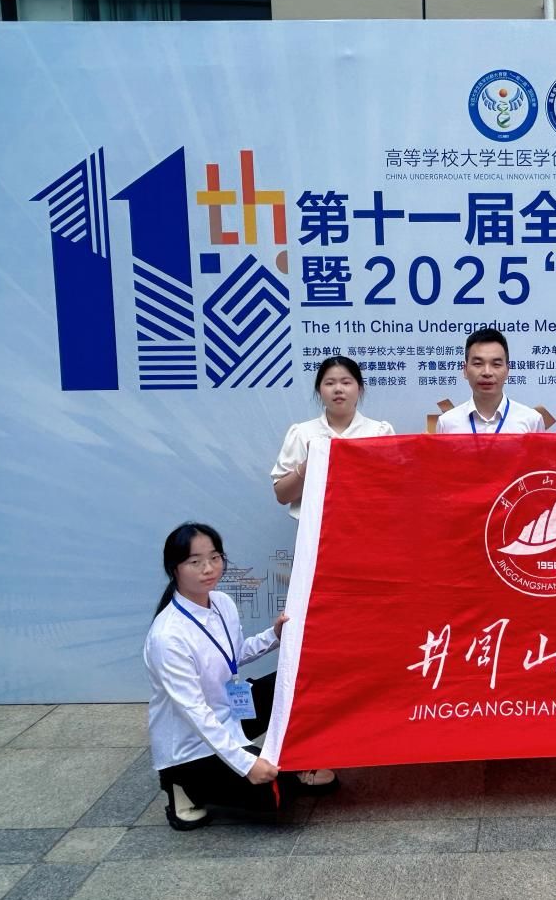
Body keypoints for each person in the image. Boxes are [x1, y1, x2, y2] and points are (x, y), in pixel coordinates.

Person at [144, 523, 338, 830]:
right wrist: (247, 764)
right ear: (174, 568)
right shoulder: (167, 637)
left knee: (299, 684)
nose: (208, 568)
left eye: (215, 557)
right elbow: (195, 713)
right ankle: (179, 782)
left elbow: (233, 654)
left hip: (230, 710)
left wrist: (274, 636)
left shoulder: (222, 602)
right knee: (278, 794)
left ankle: (292, 760)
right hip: (193, 742)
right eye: (195, 562)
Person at [272, 355, 394, 519]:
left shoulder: (379, 432)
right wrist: (309, 464)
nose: (338, 389)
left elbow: (393, 489)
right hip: (316, 530)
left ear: (359, 388)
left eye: (346, 382)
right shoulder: (302, 433)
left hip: (370, 525)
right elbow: (282, 496)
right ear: (319, 390)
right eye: (329, 383)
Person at [434, 328, 545, 434]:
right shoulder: (447, 423)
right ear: (465, 370)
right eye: (478, 364)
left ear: (507, 371)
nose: (487, 372)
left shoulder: (532, 420)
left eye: (496, 364)